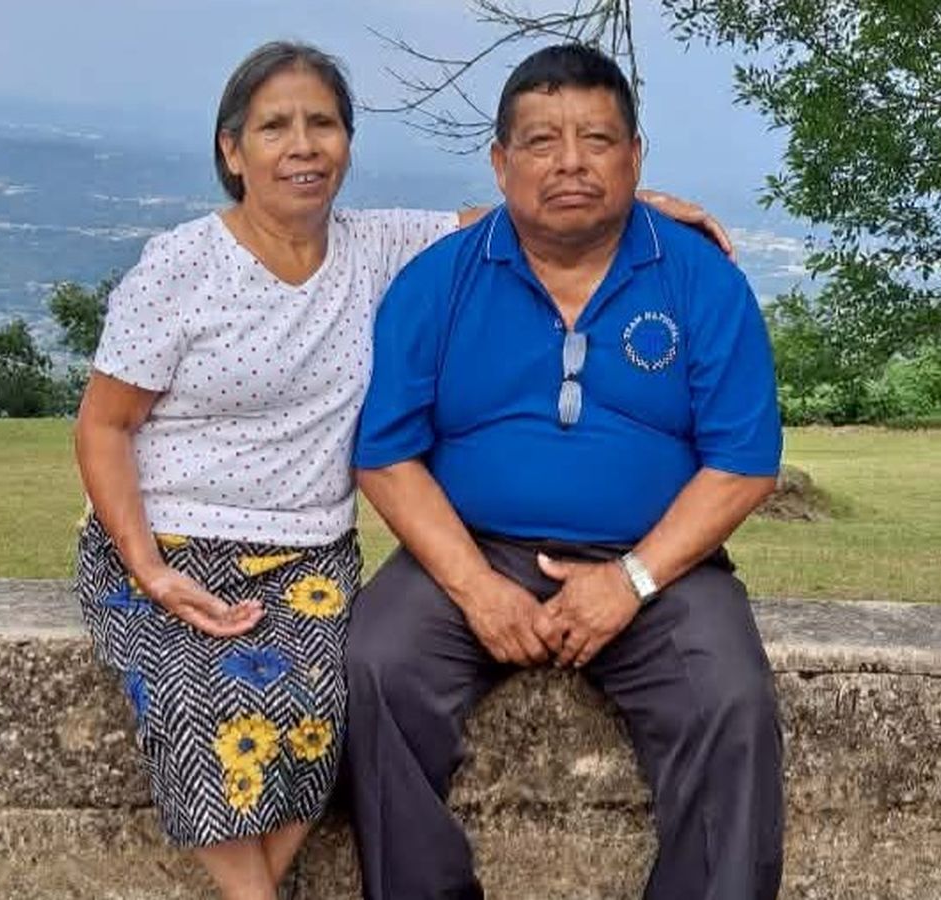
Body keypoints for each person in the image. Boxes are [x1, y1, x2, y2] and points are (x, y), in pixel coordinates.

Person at [74, 40, 729, 900]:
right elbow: (104, 426)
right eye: (274, 128)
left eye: (323, 124)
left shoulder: (377, 246)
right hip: (169, 541)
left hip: (306, 555)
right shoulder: (179, 267)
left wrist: (637, 203)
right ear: (232, 151)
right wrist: (149, 569)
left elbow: (522, 211)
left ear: (348, 143)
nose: (303, 146)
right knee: (201, 705)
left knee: (332, 707)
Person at [347, 42, 785, 900]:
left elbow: (742, 464)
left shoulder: (702, 279)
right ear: (501, 162)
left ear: (636, 157)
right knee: (378, 666)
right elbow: (387, 454)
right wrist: (476, 588)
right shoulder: (438, 281)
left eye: (598, 139)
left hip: (659, 562)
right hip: (472, 551)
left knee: (730, 702)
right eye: (543, 141)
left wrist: (631, 580)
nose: (572, 163)